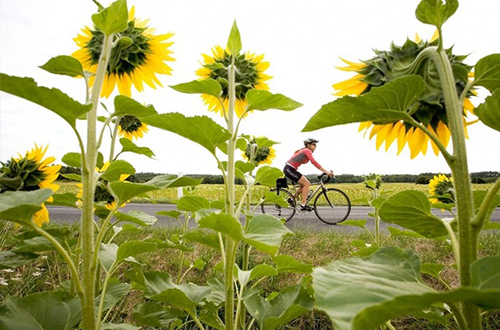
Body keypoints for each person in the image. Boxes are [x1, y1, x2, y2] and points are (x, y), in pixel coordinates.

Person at [283, 138, 334, 211]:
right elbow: (314, 162)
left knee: (304, 185)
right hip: (289, 169)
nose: (315, 146)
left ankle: (291, 199)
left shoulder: (304, 150)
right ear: (308, 145)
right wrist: (327, 172)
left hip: (291, 169)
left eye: (315, 145)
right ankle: (303, 205)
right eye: (313, 144)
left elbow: (295, 158)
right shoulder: (307, 151)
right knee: (307, 184)